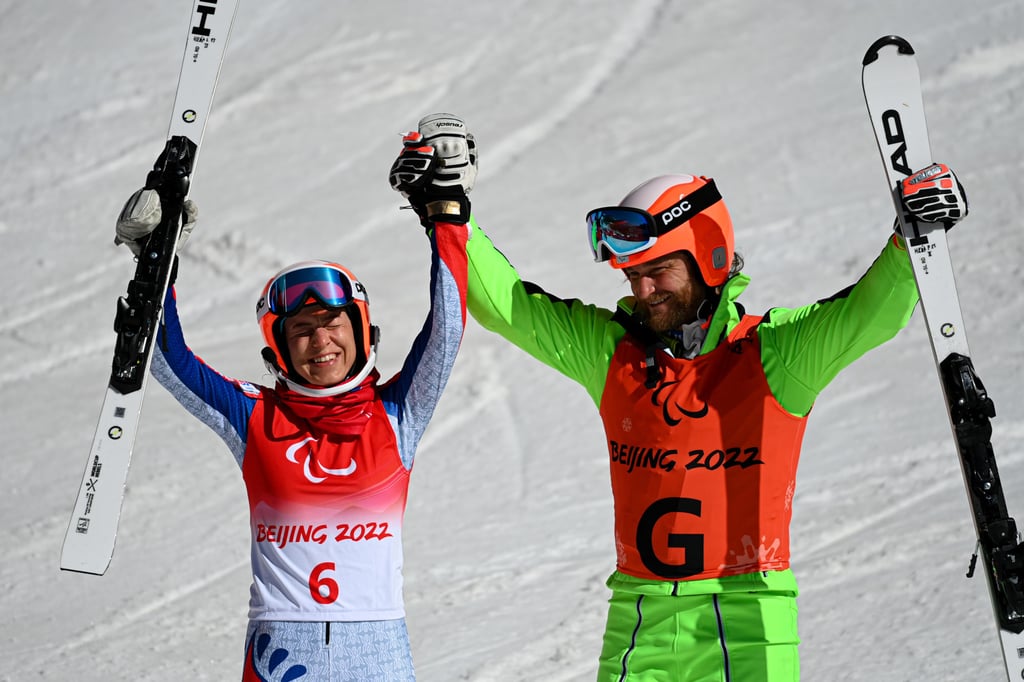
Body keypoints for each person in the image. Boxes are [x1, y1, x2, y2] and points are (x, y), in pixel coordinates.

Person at [389, 114, 969, 681]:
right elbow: (508, 305)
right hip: (640, 617)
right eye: (630, 274)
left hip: (749, 618)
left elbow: (871, 315)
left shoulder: (775, 353)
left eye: (658, 270)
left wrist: (908, 242)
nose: (642, 290)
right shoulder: (612, 352)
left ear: (709, 257)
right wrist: (446, 214)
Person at [114, 133, 473, 681]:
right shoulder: (255, 417)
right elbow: (168, 359)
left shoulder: (397, 414)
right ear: (276, 350)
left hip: (377, 650)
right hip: (281, 648)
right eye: (300, 331)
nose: (320, 341)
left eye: (333, 324)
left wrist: (444, 216)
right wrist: (156, 265)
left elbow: (447, 330)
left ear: (364, 331)